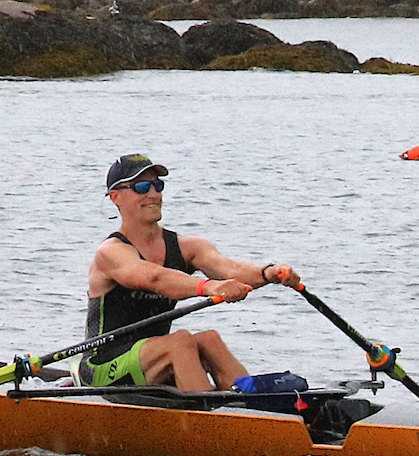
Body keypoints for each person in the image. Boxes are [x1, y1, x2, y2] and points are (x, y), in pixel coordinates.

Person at [82, 154, 305, 390]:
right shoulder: (110, 253)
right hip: (101, 366)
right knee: (180, 342)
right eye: (142, 187)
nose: (153, 194)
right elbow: (154, 278)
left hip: (151, 357)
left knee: (209, 339)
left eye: (158, 186)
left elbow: (229, 268)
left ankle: (254, 409)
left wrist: (269, 272)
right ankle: (213, 419)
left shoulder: (187, 246)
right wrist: (208, 287)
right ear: (116, 197)